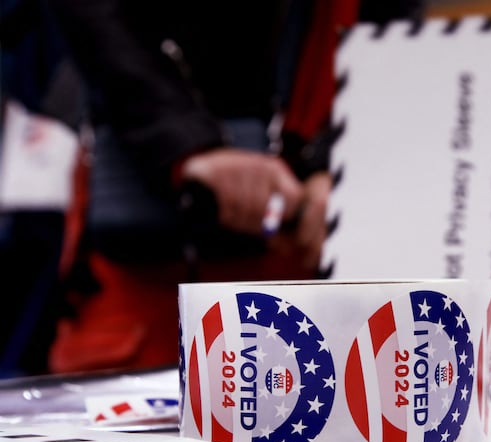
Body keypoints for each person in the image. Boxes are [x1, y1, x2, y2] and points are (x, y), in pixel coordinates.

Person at [45, 0, 422, 372]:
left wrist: (339, 160)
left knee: (321, 387)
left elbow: (390, 35)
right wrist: (183, 141)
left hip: (315, 231)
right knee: (129, 400)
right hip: (152, 223)